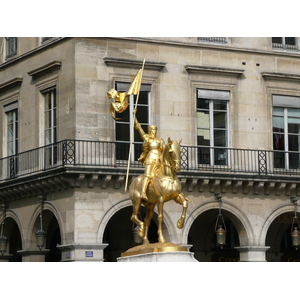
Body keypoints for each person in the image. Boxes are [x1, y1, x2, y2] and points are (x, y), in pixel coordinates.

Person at [134, 112, 165, 201]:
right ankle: (143, 192)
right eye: (152, 129)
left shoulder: (160, 140)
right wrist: (134, 116)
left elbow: (163, 150)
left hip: (159, 159)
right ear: (149, 130)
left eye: (155, 129)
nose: (154, 131)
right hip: (150, 158)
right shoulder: (147, 138)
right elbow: (139, 128)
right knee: (147, 175)